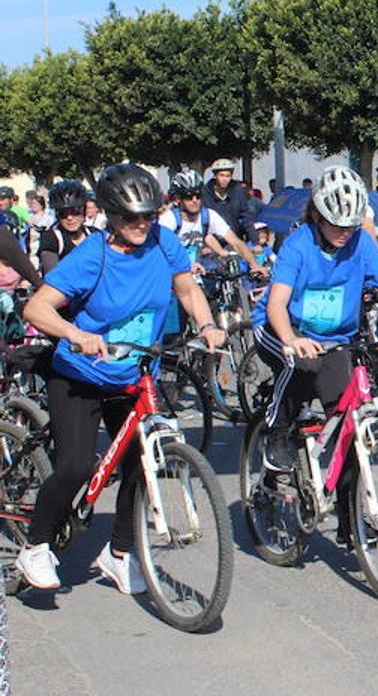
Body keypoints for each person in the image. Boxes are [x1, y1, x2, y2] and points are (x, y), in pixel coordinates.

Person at [15, 163, 227, 594]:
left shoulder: (163, 242)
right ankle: (35, 546)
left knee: (139, 465)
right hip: (80, 375)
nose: (141, 225)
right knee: (76, 463)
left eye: (148, 215)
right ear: (110, 215)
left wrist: (207, 326)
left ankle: (118, 554)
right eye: (131, 217)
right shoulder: (93, 256)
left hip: (131, 373)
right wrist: (76, 334)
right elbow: (35, 309)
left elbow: (186, 289)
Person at [251, 166, 378, 543]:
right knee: (299, 362)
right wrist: (291, 338)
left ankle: (351, 523)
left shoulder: (361, 244)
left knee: (348, 423)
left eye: (351, 225)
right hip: (281, 329)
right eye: (336, 225)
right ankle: (277, 435)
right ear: (317, 214)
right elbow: (277, 303)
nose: (344, 233)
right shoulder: (298, 244)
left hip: (334, 340)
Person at [159, 170, 268, 276]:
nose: (195, 200)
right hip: (172, 275)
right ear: (178, 199)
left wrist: (255, 265)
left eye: (198, 195)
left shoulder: (208, 216)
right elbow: (161, 251)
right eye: (189, 196)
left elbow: (235, 242)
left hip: (197, 271)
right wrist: (187, 265)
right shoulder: (169, 220)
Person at [37, 179, 94, 274]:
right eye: (63, 213)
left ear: (84, 210)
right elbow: (53, 277)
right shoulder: (52, 238)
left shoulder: (95, 234)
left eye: (75, 211)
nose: (70, 217)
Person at [201, 159, 256, 242]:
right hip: (212, 241)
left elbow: (246, 217)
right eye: (221, 175)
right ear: (215, 176)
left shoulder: (238, 191)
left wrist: (254, 241)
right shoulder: (205, 192)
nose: (225, 179)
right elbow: (202, 219)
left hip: (234, 239)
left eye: (228, 176)